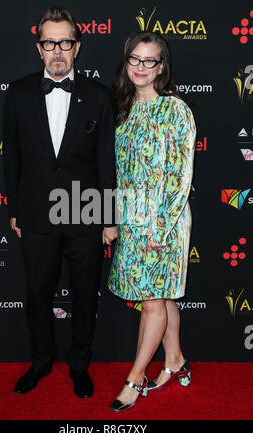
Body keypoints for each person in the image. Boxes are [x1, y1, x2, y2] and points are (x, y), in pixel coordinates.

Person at [3, 5, 117, 398]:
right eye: (49, 42)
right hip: (35, 214)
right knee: (37, 293)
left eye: (64, 42)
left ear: (77, 46)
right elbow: (11, 158)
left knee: (85, 295)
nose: (57, 50)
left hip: (84, 211)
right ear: (39, 48)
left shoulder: (99, 97)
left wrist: (107, 217)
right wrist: (15, 210)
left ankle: (79, 365)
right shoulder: (17, 94)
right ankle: (40, 361)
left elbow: (105, 160)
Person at [108, 31, 196, 412]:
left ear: (161, 67)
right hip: (131, 221)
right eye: (134, 60)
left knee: (151, 302)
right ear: (126, 62)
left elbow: (180, 177)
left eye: (149, 61)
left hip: (166, 223)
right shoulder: (123, 111)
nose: (140, 68)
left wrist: (159, 230)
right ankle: (174, 359)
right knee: (161, 296)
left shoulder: (176, 110)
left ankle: (135, 377)